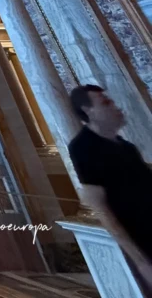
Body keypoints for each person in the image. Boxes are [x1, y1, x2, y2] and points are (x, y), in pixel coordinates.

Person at [68, 85, 152, 290]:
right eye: (106, 102)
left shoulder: (127, 147)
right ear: (88, 110)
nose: (116, 107)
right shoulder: (82, 148)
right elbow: (99, 206)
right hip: (145, 242)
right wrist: (141, 260)